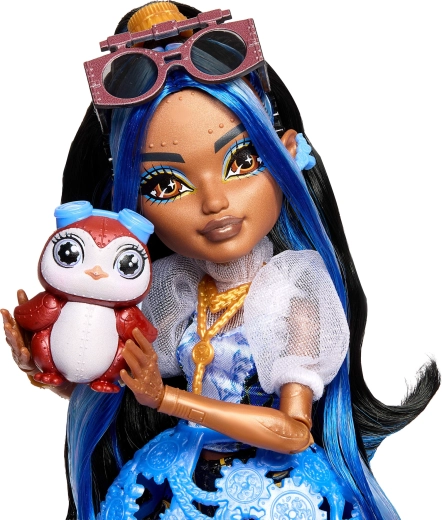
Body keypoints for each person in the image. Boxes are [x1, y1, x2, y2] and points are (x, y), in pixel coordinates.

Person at [2, 2, 440, 519]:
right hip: (173, 483)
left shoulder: (293, 298)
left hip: (278, 494)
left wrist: (167, 400)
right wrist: (51, 368)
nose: (214, 202)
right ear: (131, 206)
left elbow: (293, 432)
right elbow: (117, 386)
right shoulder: (172, 290)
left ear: (287, 154)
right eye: (166, 184)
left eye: (242, 161)